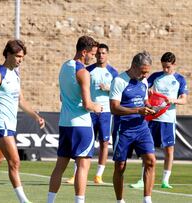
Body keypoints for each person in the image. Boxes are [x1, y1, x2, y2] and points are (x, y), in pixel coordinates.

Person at [0, 40, 45, 203]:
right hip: (0, 124)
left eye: (22, 57)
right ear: (8, 54)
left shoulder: (16, 74)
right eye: (18, 56)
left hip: (10, 125)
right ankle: (23, 200)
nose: (20, 60)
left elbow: (21, 100)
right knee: (15, 162)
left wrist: (36, 116)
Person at [47, 35, 101, 203]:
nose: (94, 57)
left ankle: (50, 201)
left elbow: (63, 98)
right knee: (83, 166)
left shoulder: (64, 67)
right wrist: (96, 107)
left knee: (60, 166)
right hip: (82, 126)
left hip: (65, 123)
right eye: (92, 54)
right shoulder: (83, 72)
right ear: (83, 52)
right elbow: (87, 104)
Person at [130, 52, 188, 189]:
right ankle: (142, 179)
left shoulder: (180, 79)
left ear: (174, 65)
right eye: (163, 67)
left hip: (168, 120)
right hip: (152, 118)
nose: (165, 70)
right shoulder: (156, 76)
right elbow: (142, 86)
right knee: (147, 149)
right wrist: (148, 91)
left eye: (167, 67)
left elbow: (184, 99)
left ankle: (165, 180)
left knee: (169, 150)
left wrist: (173, 100)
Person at [110, 51, 156, 203]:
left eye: (147, 72)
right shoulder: (119, 81)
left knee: (151, 161)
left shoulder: (143, 81)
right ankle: (120, 200)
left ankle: (147, 200)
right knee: (120, 166)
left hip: (142, 128)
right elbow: (114, 108)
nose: (145, 75)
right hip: (123, 129)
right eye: (143, 72)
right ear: (134, 67)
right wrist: (137, 110)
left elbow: (144, 101)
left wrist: (151, 106)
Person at [87, 43, 118, 183]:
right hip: (90, 110)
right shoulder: (88, 70)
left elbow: (119, 92)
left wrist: (108, 88)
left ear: (107, 54)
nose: (101, 55)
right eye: (98, 53)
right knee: (86, 141)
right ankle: (77, 172)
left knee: (104, 142)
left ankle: (98, 175)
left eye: (103, 53)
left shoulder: (113, 72)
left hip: (105, 112)